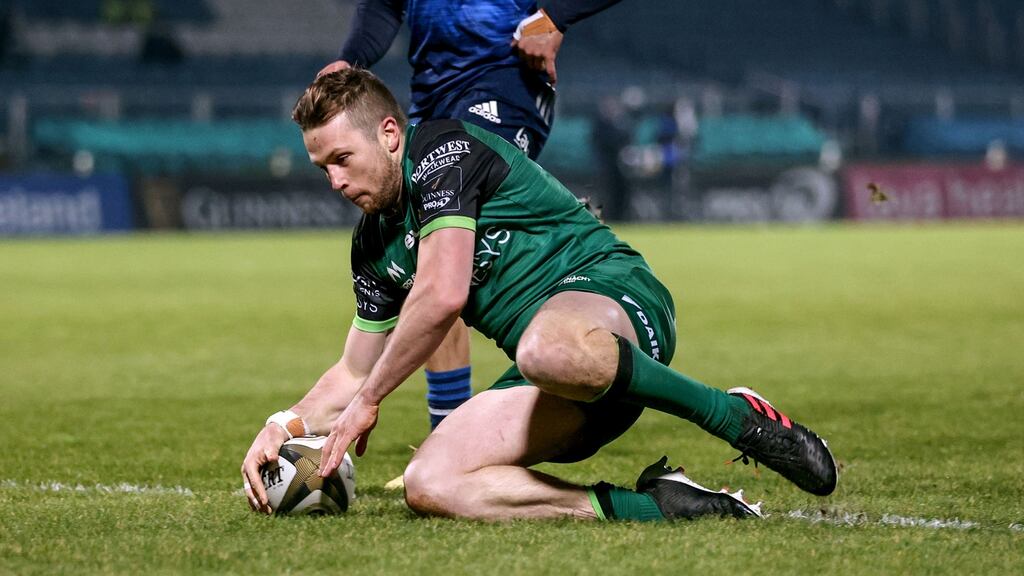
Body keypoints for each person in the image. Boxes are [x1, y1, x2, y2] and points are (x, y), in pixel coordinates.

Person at [240, 69, 838, 521]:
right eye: (323, 169)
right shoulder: (372, 243)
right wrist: (283, 423)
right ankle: (659, 507)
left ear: (390, 134)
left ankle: (734, 417)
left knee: (544, 348)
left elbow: (443, 293)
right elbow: (352, 369)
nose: (337, 182)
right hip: (556, 378)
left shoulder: (445, 152)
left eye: (343, 159)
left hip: (615, 301)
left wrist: (368, 402)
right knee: (430, 483)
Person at [320, 0, 625, 430]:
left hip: (504, 76)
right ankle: (450, 431)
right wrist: (351, 59)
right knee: (421, 262)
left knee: (440, 248)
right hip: (432, 90)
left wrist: (554, 15)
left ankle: (570, 240)